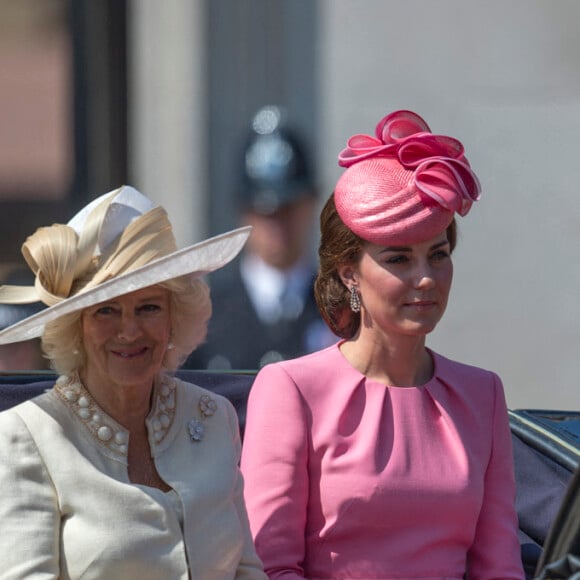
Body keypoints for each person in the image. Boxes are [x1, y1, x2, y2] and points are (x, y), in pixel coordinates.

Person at [241, 110, 525, 578]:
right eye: (399, 259)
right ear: (349, 272)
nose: (427, 278)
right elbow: (268, 565)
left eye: (439, 254)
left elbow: (500, 569)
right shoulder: (291, 389)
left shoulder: (482, 395)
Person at [0, 185, 266, 579]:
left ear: (175, 317)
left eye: (149, 307)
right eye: (106, 310)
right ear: (77, 326)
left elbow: (246, 571)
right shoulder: (27, 435)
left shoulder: (213, 417)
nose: (129, 331)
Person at [185, 105, 335, 370]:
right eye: (264, 211)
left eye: (289, 207)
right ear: (242, 211)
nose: (278, 223)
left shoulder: (342, 311)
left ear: (312, 204)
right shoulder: (203, 318)